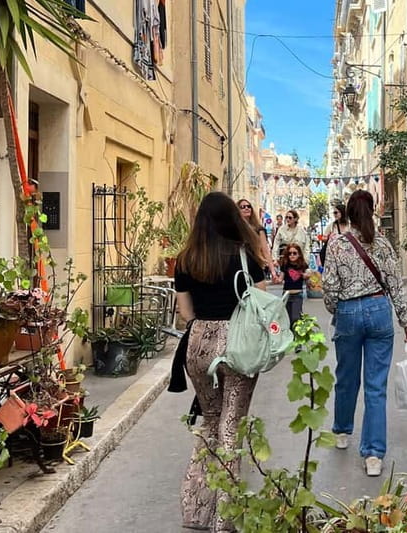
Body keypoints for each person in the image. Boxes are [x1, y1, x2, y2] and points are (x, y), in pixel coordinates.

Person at [174, 191, 267, 532]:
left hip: (199, 344)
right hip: (237, 343)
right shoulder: (245, 256)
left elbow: (185, 314)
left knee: (210, 423)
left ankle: (197, 509)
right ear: (232, 219)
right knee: (231, 427)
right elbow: (261, 301)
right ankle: (225, 517)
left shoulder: (185, 259)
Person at [322, 190, 407, 477]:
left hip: (349, 312)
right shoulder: (384, 244)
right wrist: (406, 321)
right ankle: (373, 455)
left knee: (346, 377)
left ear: (348, 214)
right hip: (378, 310)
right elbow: (395, 286)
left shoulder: (337, 244)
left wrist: (335, 310)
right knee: (376, 386)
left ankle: (342, 431)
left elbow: (329, 287)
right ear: (373, 211)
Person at [238, 198, 276, 280]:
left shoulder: (259, 229)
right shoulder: (235, 229)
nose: (246, 208)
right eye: (243, 207)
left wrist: (273, 271)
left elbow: (265, 251)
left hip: (255, 266)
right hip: (239, 267)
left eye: (248, 206)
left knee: (259, 292)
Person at [276, 243, 312, 329]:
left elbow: (308, 274)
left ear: (299, 254)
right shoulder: (285, 265)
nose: (292, 255)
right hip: (286, 295)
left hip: (297, 294)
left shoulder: (302, 265)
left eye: (294, 253)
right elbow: (280, 279)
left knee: (296, 318)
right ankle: (290, 338)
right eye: (289, 253)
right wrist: (276, 279)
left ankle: (298, 337)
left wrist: (308, 276)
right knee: (287, 318)